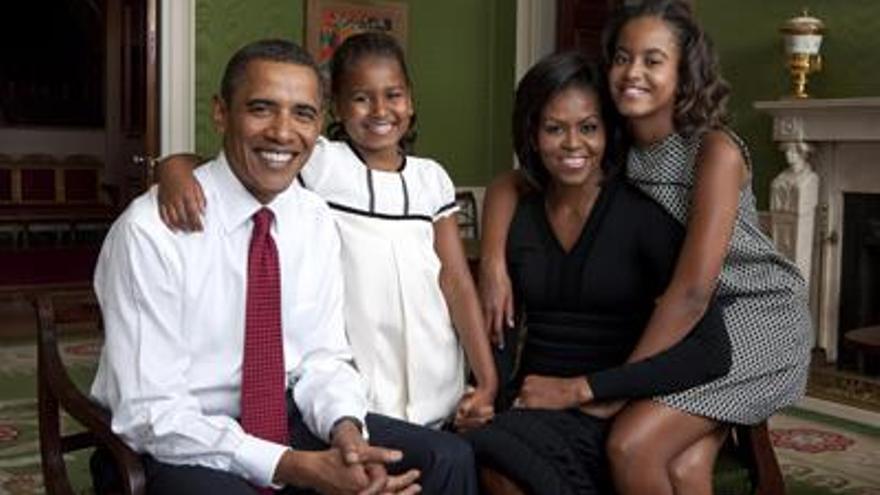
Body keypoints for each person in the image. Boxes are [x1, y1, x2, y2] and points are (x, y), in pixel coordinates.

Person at [90, 38, 476, 495]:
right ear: (221, 113)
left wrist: (346, 432)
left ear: (318, 125)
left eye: (303, 114)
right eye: (261, 108)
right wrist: (295, 467)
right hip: (175, 439)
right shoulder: (151, 231)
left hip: (283, 414)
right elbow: (151, 413)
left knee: (448, 458)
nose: (282, 131)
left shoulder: (313, 219)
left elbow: (323, 358)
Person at [479, 1, 813, 493]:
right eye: (621, 57)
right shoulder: (616, 144)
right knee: (686, 466)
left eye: (653, 60)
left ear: (684, 73)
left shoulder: (713, 151)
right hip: (695, 323)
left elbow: (693, 292)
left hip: (753, 317)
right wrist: (492, 261)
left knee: (631, 443)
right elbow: (513, 182)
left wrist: (611, 388)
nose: (633, 72)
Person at [155, 31, 497, 433]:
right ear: (334, 107)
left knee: (441, 463)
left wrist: (487, 380)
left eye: (394, 95)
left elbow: (455, 282)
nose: (379, 110)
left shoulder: (431, 179)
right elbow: (236, 163)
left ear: (411, 101)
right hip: (358, 372)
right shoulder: (320, 162)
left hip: (435, 365)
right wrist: (172, 168)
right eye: (361, 98)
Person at [464, 51, 733, 495]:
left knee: (500, 462)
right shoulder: (519, 215)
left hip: (611, 407)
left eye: (588, 127)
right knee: (474, 450)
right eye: (554, 128)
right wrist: (483, 393)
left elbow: (710, 351)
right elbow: (503, 335)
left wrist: (588, 390)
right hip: (534, 405)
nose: (573, 144)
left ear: (609, 132)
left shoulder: (644, 216)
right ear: (531, 134)